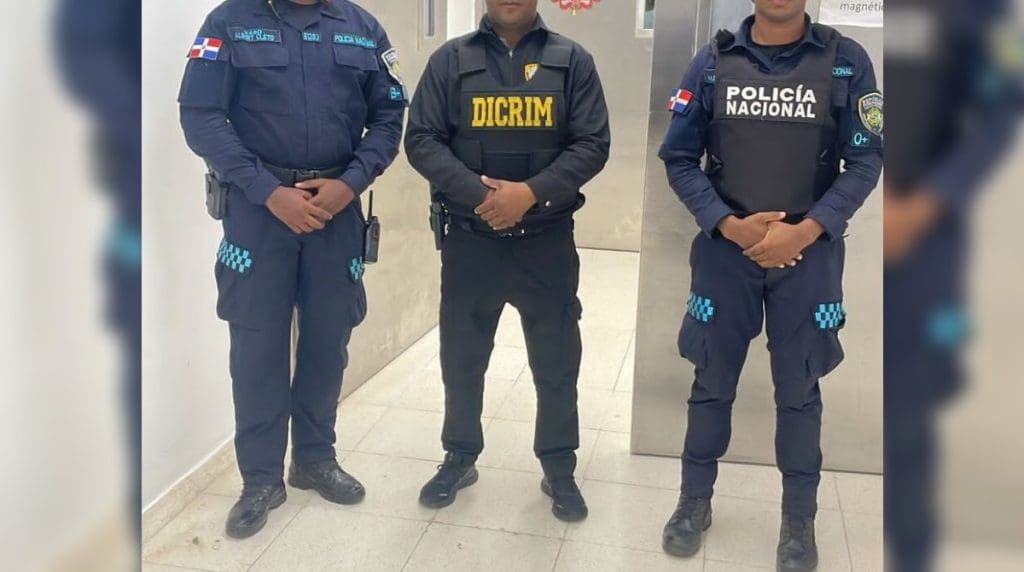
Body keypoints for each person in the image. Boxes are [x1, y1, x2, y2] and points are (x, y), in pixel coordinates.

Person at [658, 1, 882, 570]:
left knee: (800, 390)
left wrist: (807, 230)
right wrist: (728, 224)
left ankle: (798, 522)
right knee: (711, 380)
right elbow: (678, 157)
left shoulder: (846, 60)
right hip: (725, 254)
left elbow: (865, 160)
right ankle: (693, 502)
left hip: (809, 257)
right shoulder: (712, 62)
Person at [178, 0, 405, 539]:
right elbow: (201, 116)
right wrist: (267, 191)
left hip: (336, 210)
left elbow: (389, 116)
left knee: (328, 340)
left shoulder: (362, 27)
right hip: (258, 214)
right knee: (257, 347)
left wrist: (351, 182)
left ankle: (314, 459)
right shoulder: (229, 21)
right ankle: (260, 480)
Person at [404, 0, 610, 522]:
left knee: (557, 360)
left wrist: (530, 193)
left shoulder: (573, 60)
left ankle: (559, 467)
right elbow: (422, 140)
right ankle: (459, 456)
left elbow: (592, 143)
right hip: (471, 241)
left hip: (545, 241)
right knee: (462, 357)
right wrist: (483, 197)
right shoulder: (450, 60)